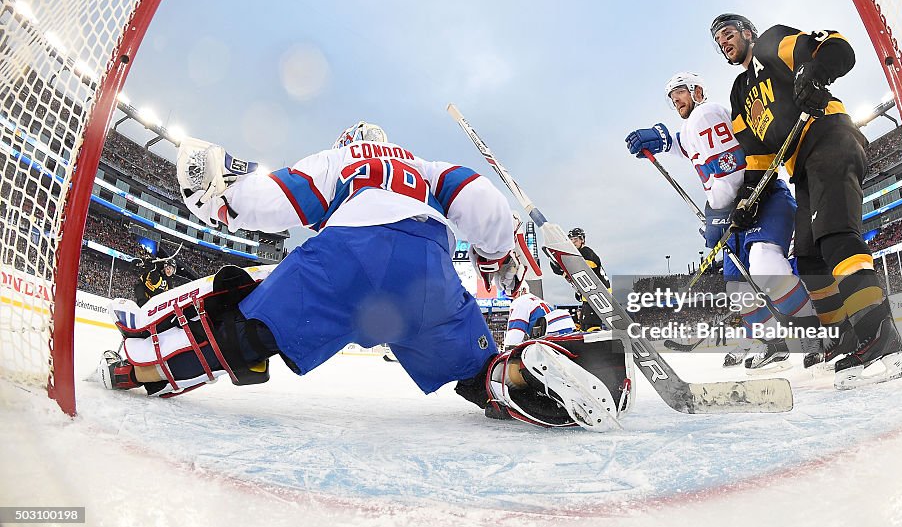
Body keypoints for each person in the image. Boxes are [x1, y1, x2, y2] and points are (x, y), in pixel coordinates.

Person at [97, 121, 633, 429]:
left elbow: (276, 198)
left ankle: (137, 369)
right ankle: (538, 373)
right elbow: (485, 203)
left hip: (348, 257)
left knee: (243, 329)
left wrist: (224, 201)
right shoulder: (426, 167)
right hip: (428, 271)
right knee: (476, 374)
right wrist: (493, 258)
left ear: (349, 141)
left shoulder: (342, 161)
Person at [709, 13, 902, 388]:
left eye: (729, 34)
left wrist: (814, 72)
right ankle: (844, 338)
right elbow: (756, 157)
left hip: (830, 136)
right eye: (719, 41)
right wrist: (747, 200)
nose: (725, 43)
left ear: (748, 32)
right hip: (800, 166)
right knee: (808, 256)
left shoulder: (771, 44)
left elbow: (836, 47)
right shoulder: (740, 92)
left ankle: (876, 331)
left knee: (835, 236)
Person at [625, 71, 821, 373]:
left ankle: (812, 334)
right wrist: (661, 139)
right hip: (732, 212)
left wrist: (716, 213)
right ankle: (773, 344)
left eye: (679, 91)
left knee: (765, 265)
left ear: (697, 90)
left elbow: (731, 170)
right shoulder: (694, 125)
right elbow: (685, 144)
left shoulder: (706, 113)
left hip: (760, 198)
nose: (675, 99)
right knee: (737, 289)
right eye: (671, 96)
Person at [549, 227, 609, 332]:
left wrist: (565, 269)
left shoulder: (586, 252)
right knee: (583, 323)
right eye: (570, 240)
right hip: (590, 295)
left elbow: (584, 269)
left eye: (575, 239)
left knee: (590, 324)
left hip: (599, 293)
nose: (573, 242)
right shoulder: (577, 255)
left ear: (582, 240)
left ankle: (595, 343)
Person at [503, 290, 576, 350]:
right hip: (566, 332)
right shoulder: (538, 300)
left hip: (550, 338)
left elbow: (514, 336)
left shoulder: (519, 302)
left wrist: (505, 353)